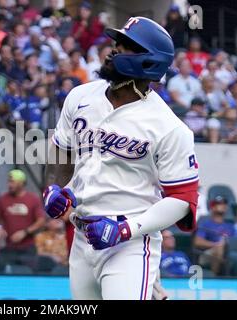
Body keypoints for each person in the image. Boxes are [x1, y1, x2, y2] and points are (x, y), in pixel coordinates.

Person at [44, 17, 199, 300]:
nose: (114, 50)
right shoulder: (80, 97)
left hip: (129, 243)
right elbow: (63, 150)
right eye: (117, 43)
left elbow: (181, 199)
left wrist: (126, 229)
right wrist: (56, 187)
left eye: (127, 46)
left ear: (150, 62)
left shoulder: (169, 126)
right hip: (82, 236)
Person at [0, 169, 46, 267]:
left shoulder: (33, 199)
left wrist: (25, 232)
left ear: (21, 183)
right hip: (8, 247)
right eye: (8, 181)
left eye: (12, 182)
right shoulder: (3, 199)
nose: (9, 184)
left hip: (28, 248)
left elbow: (41, 220)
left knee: (29, 276)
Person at [193, 196, 234, 275]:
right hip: (207, 254)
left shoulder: (230, 225)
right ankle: (215, 277)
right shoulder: (206, 224)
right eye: (219, 204)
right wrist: (216, 245)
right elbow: (197, 242)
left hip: (228, 251)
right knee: (219, 249)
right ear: (212, 207)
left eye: (224, 204)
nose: (223, 205)